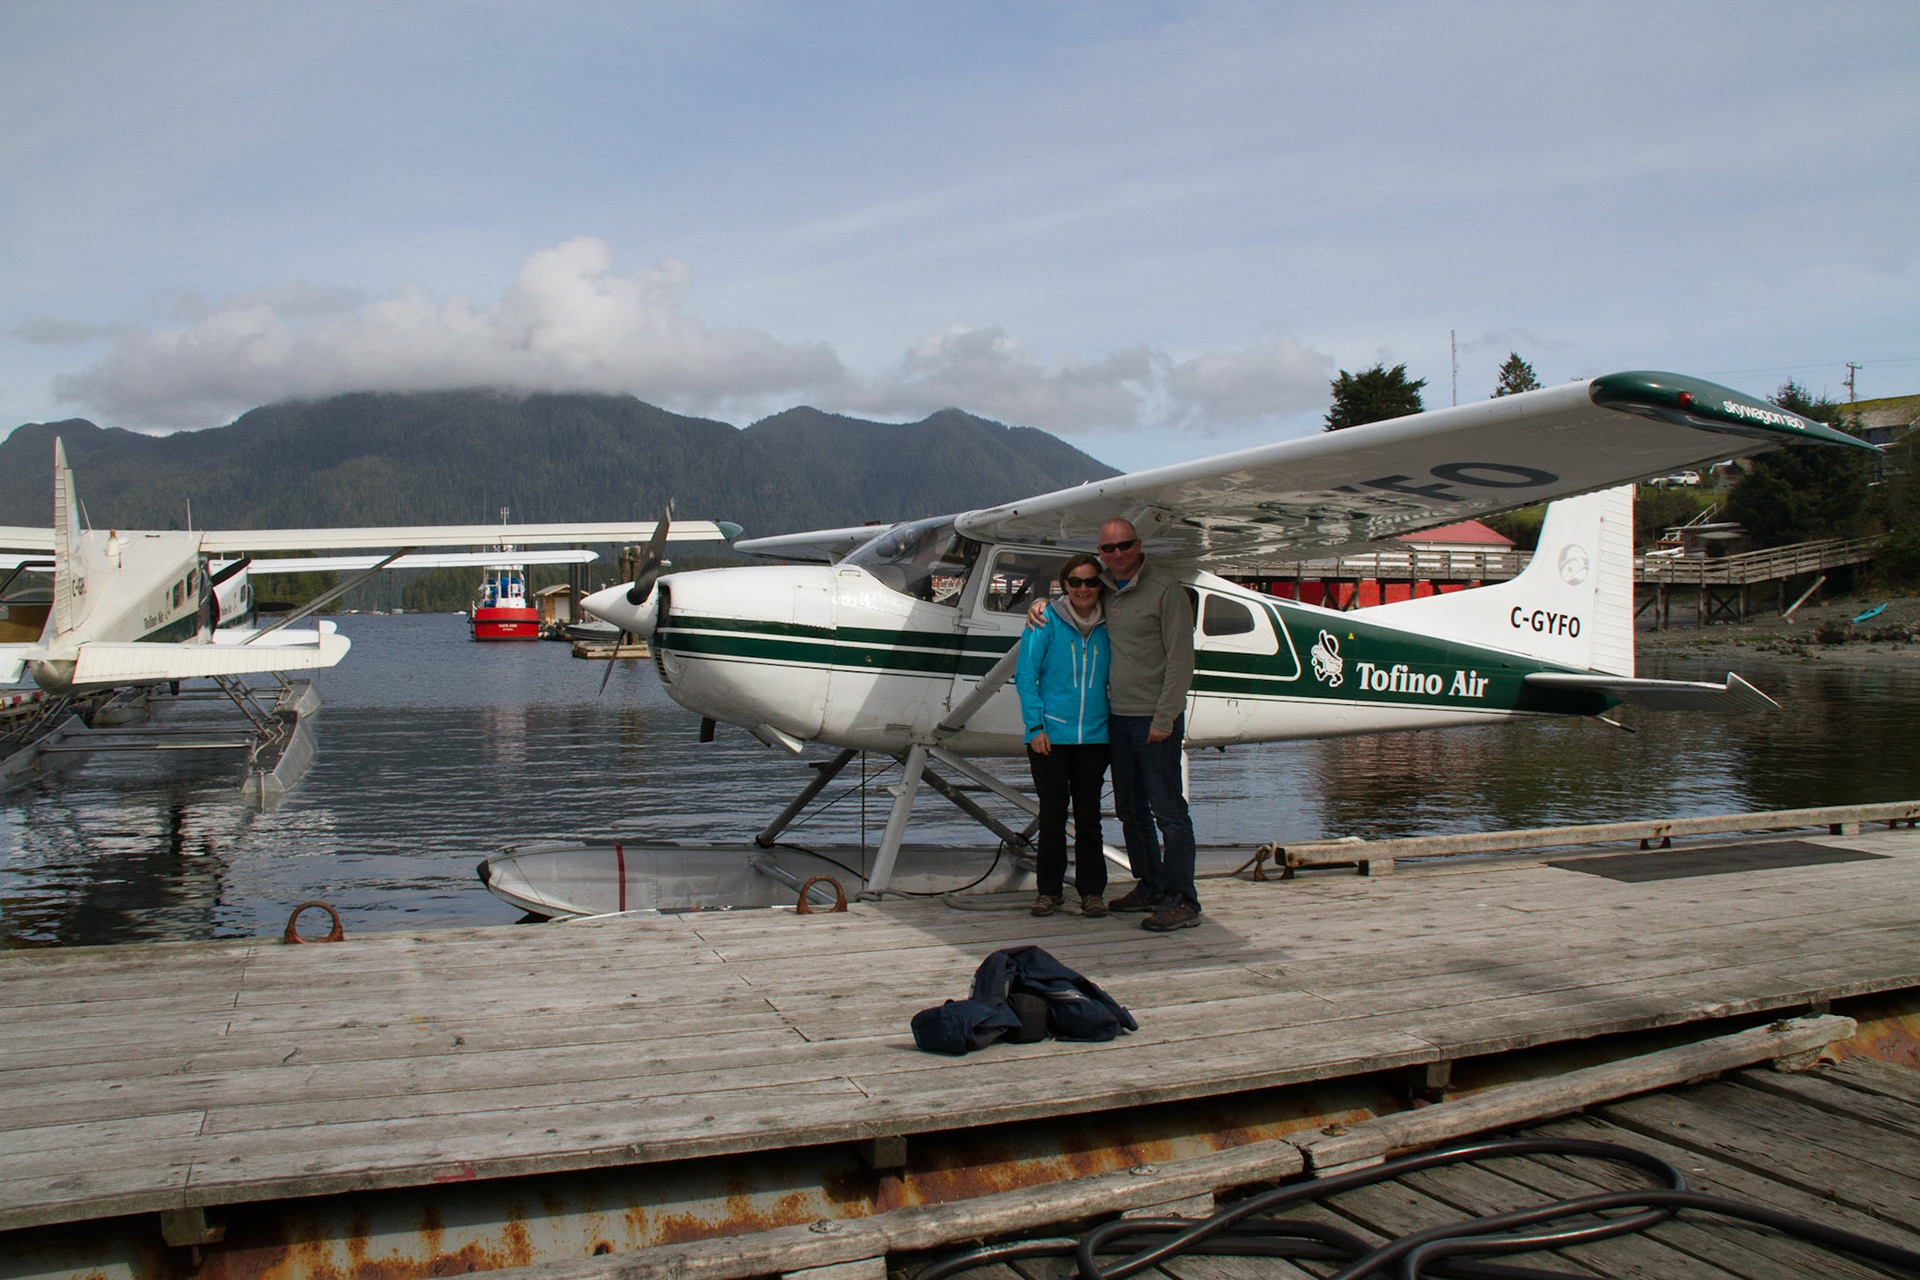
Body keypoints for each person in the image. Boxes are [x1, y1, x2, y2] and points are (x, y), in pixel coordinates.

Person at [1028, 518, 1198, 930]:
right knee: (1129, 809)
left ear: (1138, 545)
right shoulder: (1103, 589)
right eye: (1108, 548)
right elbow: (1071, 594)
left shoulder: (1165, 592)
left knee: (1168, 811)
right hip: (1116, 721)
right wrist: (1037, 603)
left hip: (1152, 720)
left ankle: (1183, 900)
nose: (1116, 554)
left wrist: (1164, 717)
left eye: (1124, 546)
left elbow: (1180, 661)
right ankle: (1151, 885)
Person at [1014, 553, 1111, 918]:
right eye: (1076, 582)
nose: (1083, 589)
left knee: (1089, 818)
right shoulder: (1045, 620)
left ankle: (1092, 892)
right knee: (1052, 815)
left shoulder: (1111, 622)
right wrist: (1035, 726)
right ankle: (1048, 891)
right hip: (1049, 736)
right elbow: (1026, 676)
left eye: (1091, 581)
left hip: (1096, 738)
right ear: (1064, 585)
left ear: (1099, 585)